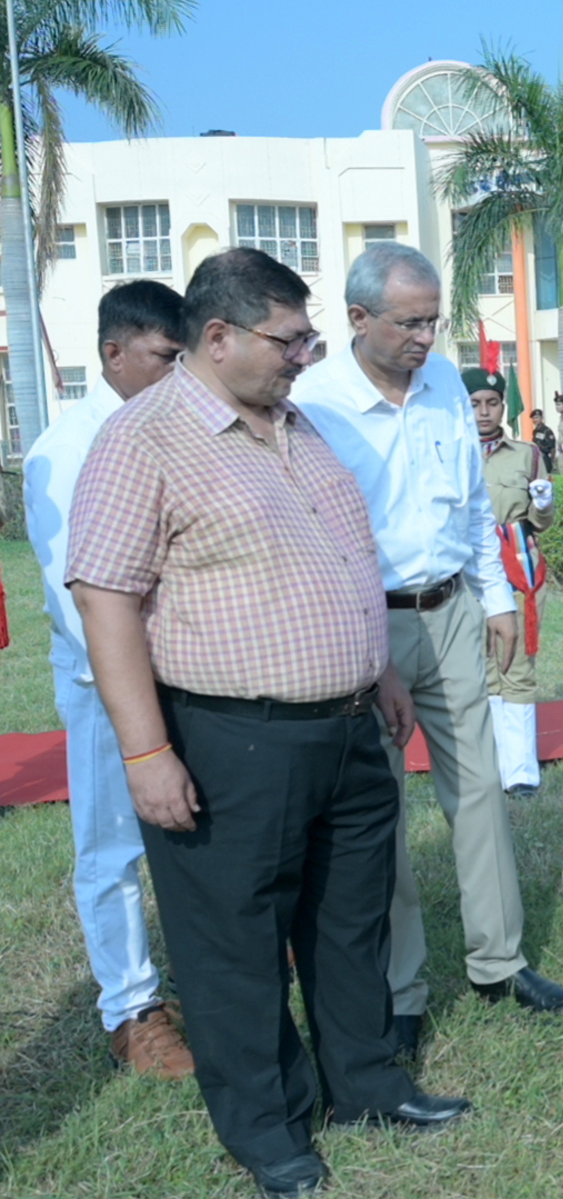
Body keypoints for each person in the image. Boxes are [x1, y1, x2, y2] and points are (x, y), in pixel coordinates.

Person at [65, 248, 468, 1199]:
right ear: (219, 336)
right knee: (234, 943)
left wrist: (374, 670)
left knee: (347, 917)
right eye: (291, 340)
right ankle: (268, 1126)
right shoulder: (145, 439)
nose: (306, 355)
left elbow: (336, 555)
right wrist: (147, 749)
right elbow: (106, 597)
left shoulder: (300, 426)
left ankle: (364, 1080)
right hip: (227, 737)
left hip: (345, 727)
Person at [290, 242, 563, 1061]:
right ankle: (403, 989)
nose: (425, 337)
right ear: (357, 318)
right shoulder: (316, 401)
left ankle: (499, 960)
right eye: (410, 322)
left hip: (450, 608)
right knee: (379, 811)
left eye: (434, 320)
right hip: (364, 626)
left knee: (480, 787)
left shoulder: (447, 382)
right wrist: (364, 645)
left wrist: (495, 597)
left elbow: (473, 504)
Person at [23, 280, 193, 1079]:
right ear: (114, 354)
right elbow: (80, 600)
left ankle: (202, 979)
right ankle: (131, 1009)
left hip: (191, 671)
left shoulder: (176, 430)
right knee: (113, 848)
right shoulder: (66, 448)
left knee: (194, 833)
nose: (178, 372)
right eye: (165, 358)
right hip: (108, 689)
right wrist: (140, 700)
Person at [467, 367, 555, 797]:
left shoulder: (527, 454)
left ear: (504, 406)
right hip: (466, 576)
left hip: (517, 573)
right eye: (475, 404)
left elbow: (541, 522)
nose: (485, 412)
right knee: (480, 670)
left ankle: (520, 773)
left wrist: (544, 503)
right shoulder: (450, 451)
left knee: (516, 668)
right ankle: (491, 767)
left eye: (493, 403)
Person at [531, 408, 557, 474]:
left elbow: (552, 447)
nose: (535, 420)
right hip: (537, 457)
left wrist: (552, 460)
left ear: (541, 418)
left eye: (537, 417)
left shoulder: (546, 430)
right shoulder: (535, 431)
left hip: (545, 457)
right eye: (533, 418)